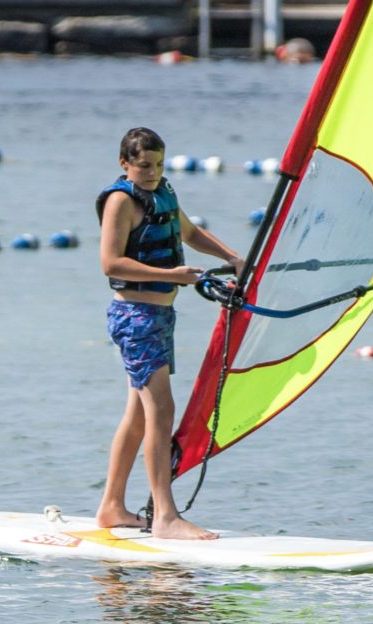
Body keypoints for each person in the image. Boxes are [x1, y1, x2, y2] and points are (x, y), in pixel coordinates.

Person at [95, 128, 244, 540]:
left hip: (160, 318)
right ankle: (165, 516)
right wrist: (171, 275)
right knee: (160, 410)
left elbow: (191, 234)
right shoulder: (120, 201)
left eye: (158, 165)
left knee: (139, 416)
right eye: (143, 165)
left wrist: (231, 257)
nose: (152, 172)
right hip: (134, 316)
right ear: (124, 164)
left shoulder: (164, 193)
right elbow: (110, 263)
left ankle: (111, 507)